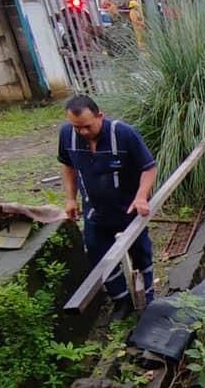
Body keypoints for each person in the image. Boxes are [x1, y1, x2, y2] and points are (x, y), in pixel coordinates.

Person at [57, 95, 159, 316]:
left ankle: (148, 298)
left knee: (140, 253)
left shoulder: (124, 134)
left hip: (129, 209)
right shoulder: (67, 135)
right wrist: (70, 198)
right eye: (77, 128)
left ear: (100, 116)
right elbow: (68, 167)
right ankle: (121, 299)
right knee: (98, 253)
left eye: (87, 126)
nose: (82, 132)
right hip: (95, 211)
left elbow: (149, 168)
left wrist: (142, 196)